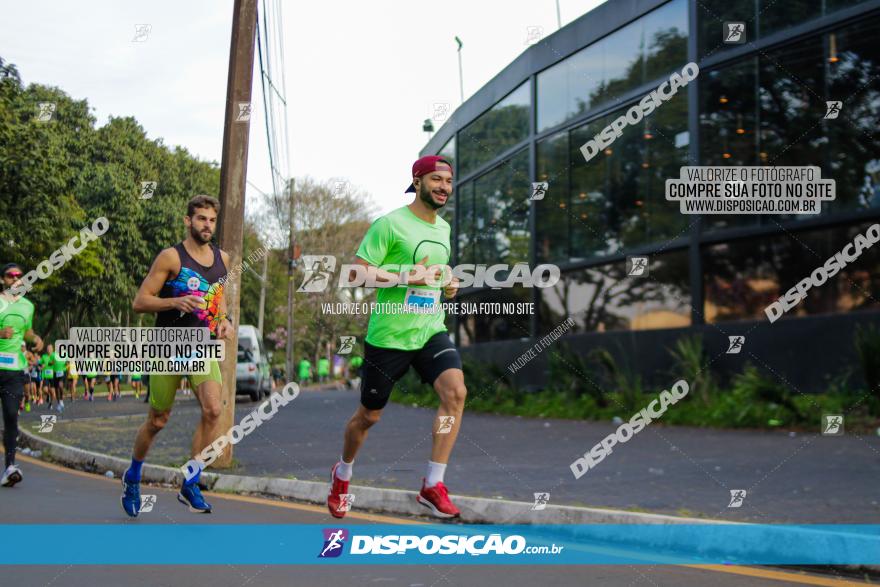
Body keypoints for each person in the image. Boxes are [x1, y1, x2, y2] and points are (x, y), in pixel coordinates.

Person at [327, 155, 466, 519]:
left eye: (448, 182)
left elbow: (436, 274)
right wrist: (408, 276)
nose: (444, 188)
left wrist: (447, 284)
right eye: (436, 180)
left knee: (456, 393)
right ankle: (343, 473)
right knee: (369, 417)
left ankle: (432, 484)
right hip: (389, 335)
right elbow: (356, 276)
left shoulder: (444, 229)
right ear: (417, 181)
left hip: (429, 329)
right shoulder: (389, 224)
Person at [120, 194, 233, 517]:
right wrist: (174, 302)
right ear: (188, 221)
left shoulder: (223, 259)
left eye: (211, 219)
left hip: (200, 344)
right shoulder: (171, 257)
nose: (206, 225)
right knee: (158, 420)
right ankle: (133, 476)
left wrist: (222, 322)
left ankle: (190, 481)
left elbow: (217, 303)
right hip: (167, 345)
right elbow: (140, 301)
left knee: (214, 410)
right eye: (200, 218)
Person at [0, 263, 44, 487]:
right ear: (2, 280)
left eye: (19, 276)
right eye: (11, 275)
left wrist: (35, 339)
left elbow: (27, 330)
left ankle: (10, 467)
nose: (16, 279)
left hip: (13, 371)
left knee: (10, 416)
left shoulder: (27, 306)